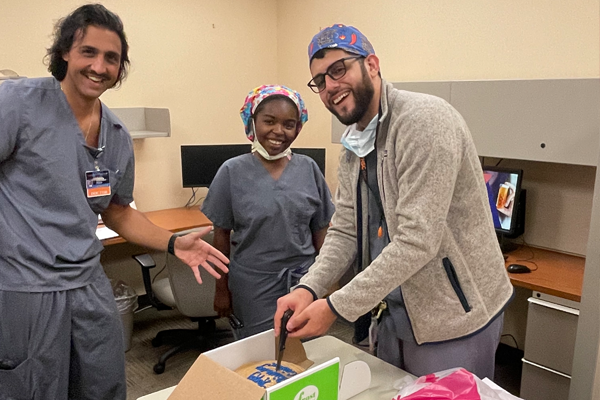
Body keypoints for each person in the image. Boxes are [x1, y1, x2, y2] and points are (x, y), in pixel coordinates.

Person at [0, 5, 228, 399]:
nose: (99, 66)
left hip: (87, 283)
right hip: (26, 287)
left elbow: (118, 211)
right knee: (33, 388)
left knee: (102, 383)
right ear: (65, 53)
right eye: (88, 51)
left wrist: (174, 243)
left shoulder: (117, 134)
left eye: (112, 58)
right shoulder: (17, 104)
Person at [274, 24, 514, 379]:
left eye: (338, 70)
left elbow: (418, 240)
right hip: (393, 311)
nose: (329, 87)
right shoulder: (354, 143)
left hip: (452, 317)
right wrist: (310, 287)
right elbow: (344, 230)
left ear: (371, 65)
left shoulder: (425, 121)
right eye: (320, 81)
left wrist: (337, 307)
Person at [201, 85, 334, 338]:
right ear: (252, 122)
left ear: (298, 127)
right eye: (269, 121)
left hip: (304, 281)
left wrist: (325, 282)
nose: (278, 131)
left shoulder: (309, 169)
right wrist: (221, 289)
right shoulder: (232, 171)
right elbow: (221, 238)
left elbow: (321, 232)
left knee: (306, 349)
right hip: (252, 286)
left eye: (288, 124)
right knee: (259, 356)